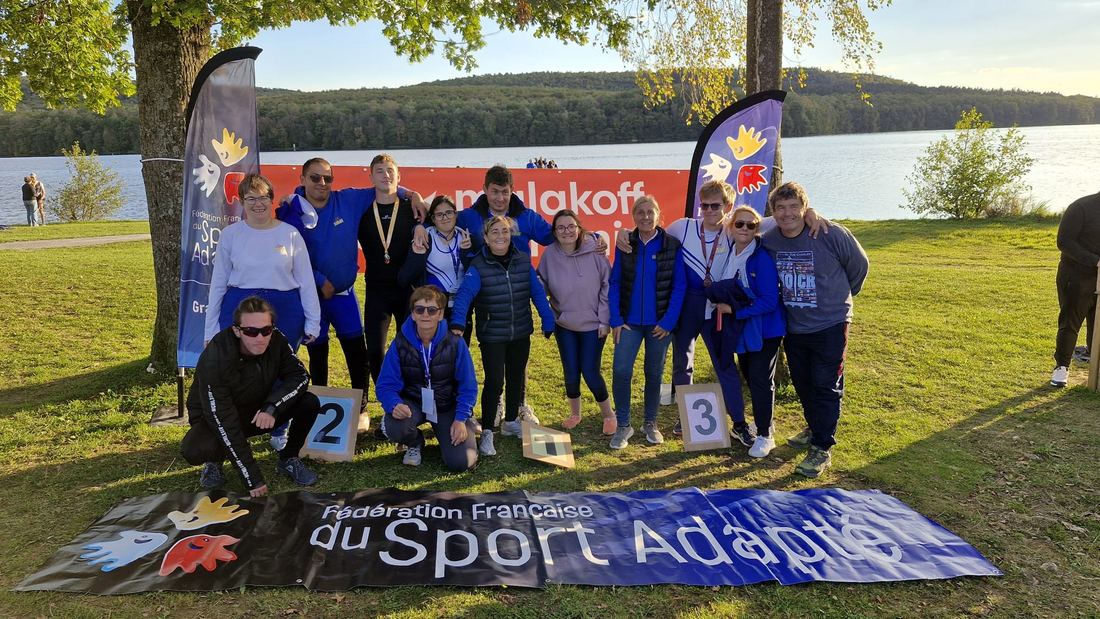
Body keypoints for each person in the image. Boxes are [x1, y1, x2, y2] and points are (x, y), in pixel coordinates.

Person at [762, 182, 869, 478]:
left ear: (805, 208)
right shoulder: (770, 240)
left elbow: (859, 266)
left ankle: (822, 447)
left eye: (794, 207)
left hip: (831, 324)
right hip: (795, 327)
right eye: (781, 208)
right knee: (803, 383)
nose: (788, 214)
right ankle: (814, 427)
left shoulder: (830, 233)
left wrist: (840, 300)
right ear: (773, 212)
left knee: (825, 384)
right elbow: (738, 227)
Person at [181, 296, 321, 495]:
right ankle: (214, 461)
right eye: (251, 332)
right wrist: (252, 478)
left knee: (309, 402)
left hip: (256, 411)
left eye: (266, 330)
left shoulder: (277, 340)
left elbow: (299, 376)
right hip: (214, 417)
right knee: (195, 450)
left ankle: (289, 459)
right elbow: (224, 421)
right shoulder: (216, 357)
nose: (260, 338)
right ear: (237, 331)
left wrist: (272, 407)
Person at [451, 216, 556, 456]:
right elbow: (465, 294)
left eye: (505, 231)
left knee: (516, 379)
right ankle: (487, 431)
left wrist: (547, 319)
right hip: (492, 335)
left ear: (511, 235)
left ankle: (510, 422)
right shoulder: (478, 265)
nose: (501, 236)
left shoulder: (522, 260)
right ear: (486, 238)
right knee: (495, 382)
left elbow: (537, 292)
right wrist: (458, 321)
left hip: (520, 332)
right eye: (495, 232)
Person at [205, 173, 321, 351]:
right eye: (250, 198)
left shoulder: (290, 234)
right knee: (240, 367)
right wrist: (210, 330)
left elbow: (306, 282)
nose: (258, 204)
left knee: (281, 367)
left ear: (271, 199)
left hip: (285, 309)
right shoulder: (230, 235)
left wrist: (313, 322)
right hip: (239, 307)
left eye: (263, 198)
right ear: (242, 202)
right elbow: (218, 284)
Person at [607, 196, 687, 449]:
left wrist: (669, 321)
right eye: (639, 212)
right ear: (633, 216)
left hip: (660, 326)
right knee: (621, 372)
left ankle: (650, 422)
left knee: (654, 374)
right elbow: (615, 282)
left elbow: (679, 285)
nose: (645, 217)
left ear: (658, 214)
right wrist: (616, 319)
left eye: (650, 212)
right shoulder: (626, 244)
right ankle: (623, 425)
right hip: (628, 323)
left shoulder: (671, 245)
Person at [375, 286, 479, 471]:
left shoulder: (456, 343)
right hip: (413, 403)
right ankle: (415, 442)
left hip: (447, 405)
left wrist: (460, 418)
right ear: (413, 314)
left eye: (432, 310)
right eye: (419, 309)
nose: (425, 314)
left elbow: (469, 387)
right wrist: (394, 404)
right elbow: (385, 385)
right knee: (395, 427)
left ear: (440, 315)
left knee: (461, 462)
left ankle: (465, 425)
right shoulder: (400, 343)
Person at [712, 206, 786, 458]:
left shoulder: (761, 258)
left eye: (751, 225)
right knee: (750, 376)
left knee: (759, 378)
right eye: (740, 224)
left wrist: (733, 311)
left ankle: (765, 435)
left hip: (765, 329)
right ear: (731, 226)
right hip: (743, 330)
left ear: (757, 229)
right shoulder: (729, 251)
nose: (745, 229)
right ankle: (766, 421)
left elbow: (769, 300)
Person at [356, 154, 429, 404]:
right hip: (376, 291)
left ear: (399, 176)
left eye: (390, 171)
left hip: (407, 291)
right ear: (370, 177)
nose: (385, 175)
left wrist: (421, 222)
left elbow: (433, 223)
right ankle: (388, 401)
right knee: (375, 351)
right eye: (379, 171)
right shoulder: (362, 208)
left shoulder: (414, 208)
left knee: (409, 348)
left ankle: (409, 400)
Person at [537, 209, 615, 434]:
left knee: (590, 370)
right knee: (570, 370)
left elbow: (606, 287)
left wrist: (604, 320)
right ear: (555, 232)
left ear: (579, 228)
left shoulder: (596, 250)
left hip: (593, 325)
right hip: (565, 324)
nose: (566, 231)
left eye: (571, 226)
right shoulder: (549, 254)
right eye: (560, 227)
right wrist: (549, 314)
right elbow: (541, 283)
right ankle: (575, 413)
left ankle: (609, 415)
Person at [398, 195, 476, 337]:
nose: (445, 217)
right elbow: (404, 279)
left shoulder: (466, 237)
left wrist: (466, 253)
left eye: (449, 212)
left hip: (460, 307)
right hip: (431, 308)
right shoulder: (425, 237)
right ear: (433, 219)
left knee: (457, 354)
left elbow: (475, 274)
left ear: (455, 214)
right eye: (439, 215)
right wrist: (418, 257)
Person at [1051, 191, 1099, 387]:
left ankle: (1096, 369)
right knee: (1070, 322)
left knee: (1098, 326)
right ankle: (1062, 368)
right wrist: (1095, 261)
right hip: (1076, 275)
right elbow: (1064, 241)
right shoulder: (1081, 207)